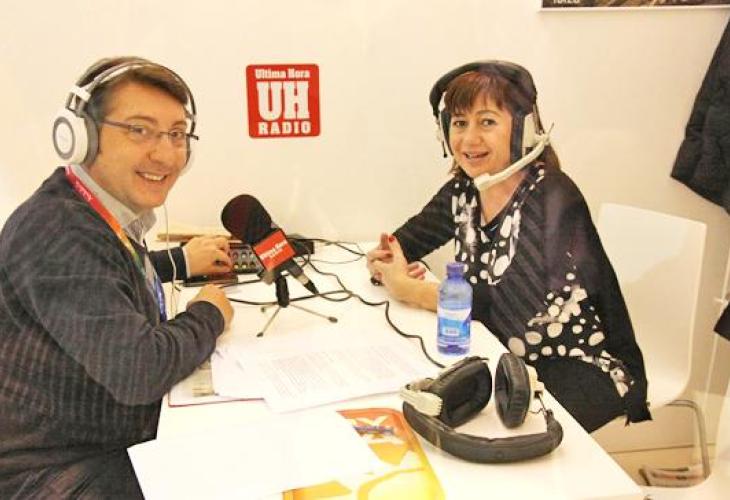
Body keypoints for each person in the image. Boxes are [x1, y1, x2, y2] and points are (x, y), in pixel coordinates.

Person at [367, 61, 651, 432]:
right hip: (505, 358)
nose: (469, 139)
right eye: (459, 123)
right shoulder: (467, 189)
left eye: (486, 122)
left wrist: (409, 288)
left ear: (523, 129)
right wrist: (387, 260)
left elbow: (499, 307)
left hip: (582, 366)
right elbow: (404, 242)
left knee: (476, 433)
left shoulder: (552, 196)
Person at [0, 56, 234, 498]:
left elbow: (104, 277)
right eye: (139, 130)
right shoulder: (58, 229)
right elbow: (138, 370)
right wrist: (209, 313)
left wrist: (179, 262)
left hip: (96, 441)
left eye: (177, 134)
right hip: (53, 473)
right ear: (82, 137)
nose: (165, 154)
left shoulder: (85, 211)